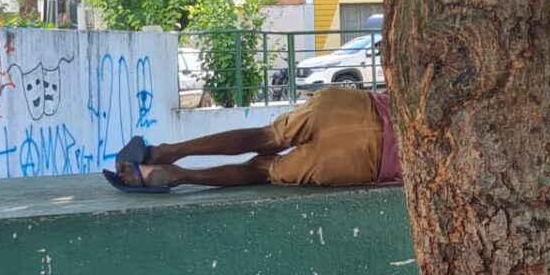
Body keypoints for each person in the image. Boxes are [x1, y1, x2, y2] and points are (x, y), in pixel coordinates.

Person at [103, 87, 402, 193]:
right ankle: (179, 175)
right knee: (262, 170)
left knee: (267, 136)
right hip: (365, 159)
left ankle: (165, 151)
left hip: (353, 107)